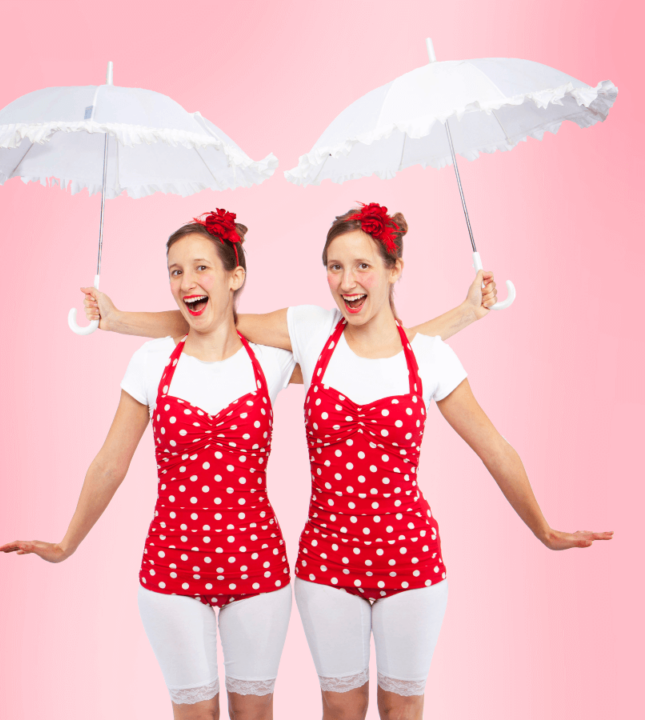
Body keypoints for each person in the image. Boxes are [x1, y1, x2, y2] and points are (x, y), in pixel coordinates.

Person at [82, 203, 613, 720]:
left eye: (362, 265)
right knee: (340, 709)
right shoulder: (312, 332)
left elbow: (495, 449)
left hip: (413, 561)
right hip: (326, 563)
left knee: (402, 711)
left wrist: (543, 529)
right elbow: (218, 318)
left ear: (394, 269)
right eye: (335, 266)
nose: (346, 279)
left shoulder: (427, 355)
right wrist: (118, 320)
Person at [0, 208, 495, 720]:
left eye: (200, 268)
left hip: (258, 566)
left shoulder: (274, 361)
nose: (186, 282)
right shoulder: (150, 362)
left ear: (235, 277)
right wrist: (65, 544)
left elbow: (381, 350)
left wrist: (463, 315)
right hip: (171, 568)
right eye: (174, 271)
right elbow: (109, 465)